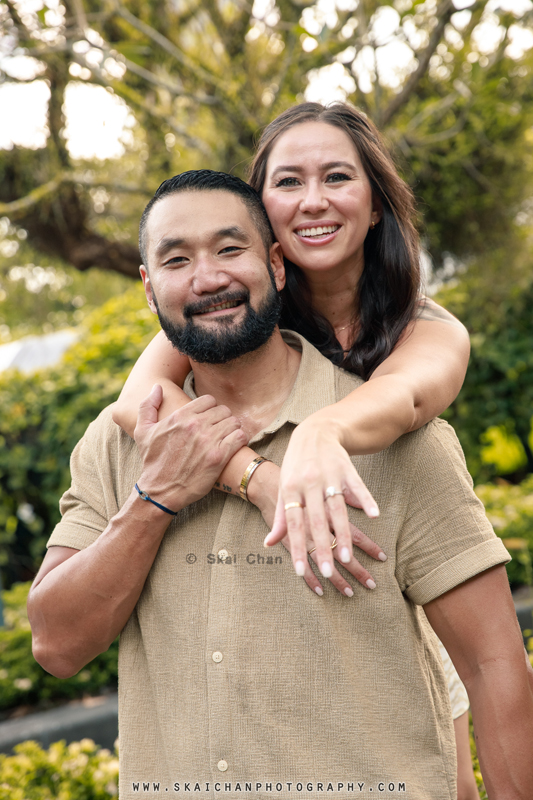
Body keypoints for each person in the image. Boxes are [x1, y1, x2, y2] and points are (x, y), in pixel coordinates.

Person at [28, 171, 533, 800]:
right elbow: (56, 644)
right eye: (177, 259)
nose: (208, 277)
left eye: (230, 249)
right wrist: (152, 499)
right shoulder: (117, 444)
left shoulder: (403, 442)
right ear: (149, 288)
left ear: (277, 264)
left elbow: (492, 665)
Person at [112, 103, 476, 796]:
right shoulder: (235, 303)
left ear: (375, 206)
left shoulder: (423, 328)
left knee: (445, 776)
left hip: (394, 569)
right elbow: (137, 405)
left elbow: (399, 398)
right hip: (285, 599)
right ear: (262, 212)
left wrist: (320, 432)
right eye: (287, 182)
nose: (312, 201)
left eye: (337, 177)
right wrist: (260, 479)